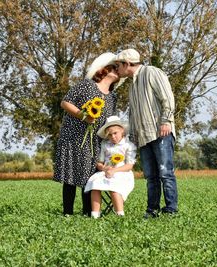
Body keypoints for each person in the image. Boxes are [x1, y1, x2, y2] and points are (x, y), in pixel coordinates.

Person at [53, 52, 120, 216]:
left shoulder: (113, 97)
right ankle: (67, 213)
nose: (117, 71)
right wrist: (83, 116)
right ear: (104, 69)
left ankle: (87, 212)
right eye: (114, 68)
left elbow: (110, 121)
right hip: (73, 136)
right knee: (70, 175)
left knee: (89, 176)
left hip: (95, 140)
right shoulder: (86, 85)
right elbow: (65, 102)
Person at [115, 48, 178, 218]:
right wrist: (133, 136)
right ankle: (152, 210)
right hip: (143, 136)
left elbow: (167, 98)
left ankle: (171, 210)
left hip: (160, 132)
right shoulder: (132, 85)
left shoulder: (151, 72)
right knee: (151, 176)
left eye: (118, 66)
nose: (117, 70)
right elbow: (133, 113)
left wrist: (165, 121)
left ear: (127, 64)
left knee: (165, 173)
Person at [84, 116, 136, 218]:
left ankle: (120, 214)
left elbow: (129, 166)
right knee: (94, 184)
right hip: (106, 171)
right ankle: (95, 214)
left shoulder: (128, 145)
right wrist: (104, 168)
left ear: (122, 131)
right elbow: (99, 163)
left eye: (115, 133)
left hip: (122, 172)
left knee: (114, 185)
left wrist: (114, 170)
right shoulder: (105, 144)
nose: (113, 137)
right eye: (110, 135)